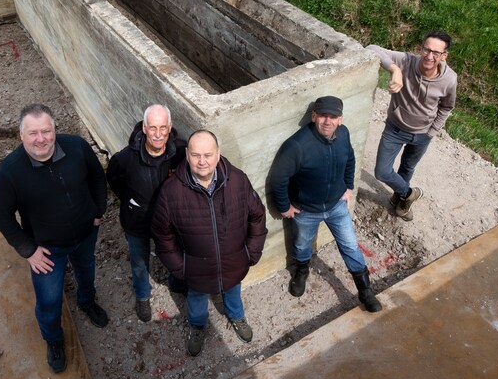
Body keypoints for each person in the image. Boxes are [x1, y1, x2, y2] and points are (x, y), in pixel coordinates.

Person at [0, 103, 109, 374]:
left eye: (46, 131)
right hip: (47, 250)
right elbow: (1, 216)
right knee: (49, 300)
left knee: (86, 270)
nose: (41, 139)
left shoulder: (77, 147)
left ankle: (87, 301)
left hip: (85, 234)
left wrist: (98, 211)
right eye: (33, 133)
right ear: (21, 135)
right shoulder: (9, 172)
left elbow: (97, 176)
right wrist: (28, 250)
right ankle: (53, 339)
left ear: (55, 130)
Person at [151, 130, 268, 356]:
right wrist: (181, 267)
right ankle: (197, 326)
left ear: (218, 154)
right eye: (196, 155)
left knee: (233, 289)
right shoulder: (171, 192)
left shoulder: (238, 180)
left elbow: (257, 216)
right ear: (187, 155)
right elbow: (162, 235)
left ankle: (236, 316)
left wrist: (251, 252)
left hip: (234, 262)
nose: (202, 161)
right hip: (196, 270)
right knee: (196, 297)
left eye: (207, 155)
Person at [270, 96, 382, 313]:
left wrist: (348, 187)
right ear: (314, 117)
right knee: (302, 244)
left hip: (337, 206)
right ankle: (302, 272)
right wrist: (284, 207)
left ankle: (365, 290)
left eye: (333, 117)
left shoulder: (344, 134)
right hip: (306, 210)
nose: (327, 121)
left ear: (340, 119)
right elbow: (278, 179)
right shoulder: (297, 146)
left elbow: (350, 159)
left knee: (350, 245)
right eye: (323, 116)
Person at [107, 104, 186, 322]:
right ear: (144, 127)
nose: (158, 134)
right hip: (137, 221)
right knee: (139, 262)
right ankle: (143, 295)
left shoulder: (180, 152)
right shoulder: (125, 158)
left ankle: (177, 283)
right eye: (152, 128)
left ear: (169, 127)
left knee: (174, 253)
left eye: (163, 127)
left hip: (167, 221)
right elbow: (115, 180)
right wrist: (133, 203)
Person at [367, 31, 457, 221]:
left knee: (407, 168)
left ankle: (400, 200)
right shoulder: (406, 61)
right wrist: (395, 70)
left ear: (444, 56)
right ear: (421, 48)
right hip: (395, 128)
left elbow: (446, 107)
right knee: (382, 172)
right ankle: (409, 193)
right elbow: (372, 48)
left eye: (436, 53)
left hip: (422, 134)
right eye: (426, 49)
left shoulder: (449, 79)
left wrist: (432, 132)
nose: (429, 56)